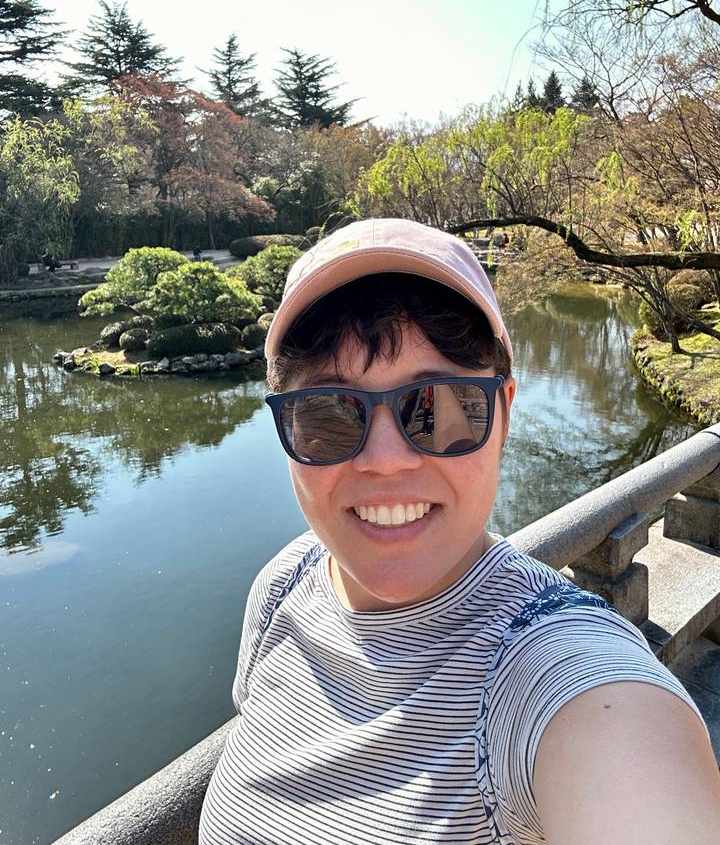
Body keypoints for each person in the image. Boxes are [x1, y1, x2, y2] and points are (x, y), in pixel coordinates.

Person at [199, 218, 720, 845]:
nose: (385, 460)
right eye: (330, 414)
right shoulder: (283, 587)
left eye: (438, 408)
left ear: (502, 411)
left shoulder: (550, 670)